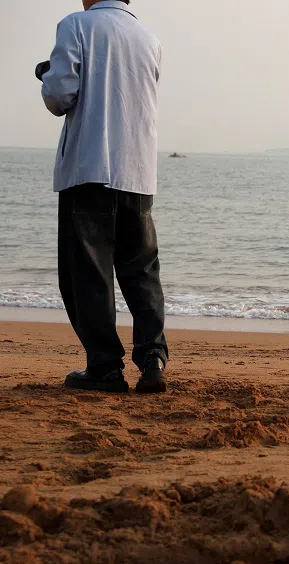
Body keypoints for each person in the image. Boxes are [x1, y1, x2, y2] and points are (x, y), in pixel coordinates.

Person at [38, 0, 168, 393]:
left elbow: (60, 96)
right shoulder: (149, 38)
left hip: (90, 168)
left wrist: (45, 76)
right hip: (138, 170)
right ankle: (153, 359)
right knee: (141, 271)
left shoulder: (76, 24)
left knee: (87, 274)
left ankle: (105, 368)